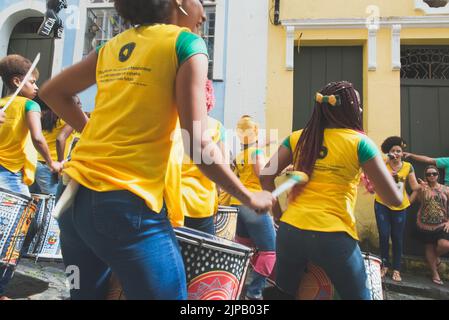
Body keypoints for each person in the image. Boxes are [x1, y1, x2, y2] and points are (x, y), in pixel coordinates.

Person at [39, 0, 274, 300]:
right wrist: (248, 195)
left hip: (73, 201)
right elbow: (198, 144)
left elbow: (52, 92)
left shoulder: (112, 46)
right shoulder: (187, 45)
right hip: (124, 204)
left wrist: (92, 132)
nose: (203, 11)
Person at [260, 81, 402, 300]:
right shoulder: (360, 143)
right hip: (333, 235)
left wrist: (279, 215)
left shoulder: (298, 138)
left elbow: (265, 175)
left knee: (284, 295)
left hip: (291, 231)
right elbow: (392, 199)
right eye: (358, 105)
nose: (361, 110)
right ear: (350, 109)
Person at [0, 54, 63, 299]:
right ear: (17, 81)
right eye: (32, 82)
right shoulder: (30, 105)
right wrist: (52, 162)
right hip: (12, 179)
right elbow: (38, 138)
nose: (36, 87)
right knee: (12, 239)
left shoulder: (2, 104)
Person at [230, 115, 277, 300]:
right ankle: (254, 292)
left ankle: (237, 288)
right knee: (270, 251)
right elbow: (262, 175)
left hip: (239, 205)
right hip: (254, 204)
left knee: (244, 250)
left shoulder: (241, 153)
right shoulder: (256, 152)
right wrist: (282, 168)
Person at [374, 136, 420, 282]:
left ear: (402, 153)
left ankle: (397, 269)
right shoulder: (383, 164)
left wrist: (408, 203)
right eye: (393, 151)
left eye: (398, 151)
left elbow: (415, 188)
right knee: (383, 234)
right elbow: (374, 174)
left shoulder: (408, 167)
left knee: (397, 238)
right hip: (382, 204)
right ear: (389, 152)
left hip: (400, 207)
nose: (396, 153)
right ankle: (384, 265)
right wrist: (387, 163)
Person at [410, 165, 449, 285]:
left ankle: (434, 258)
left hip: (442, 223)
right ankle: (435, 273)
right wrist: (418, 189)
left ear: (438, 175)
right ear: (425, 176)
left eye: (434, 174)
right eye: (428, 174)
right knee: (429, 247)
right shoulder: (422, 188)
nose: (431, 176)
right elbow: (411, 201)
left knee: (445, 245)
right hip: (424, 223)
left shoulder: (446, 189)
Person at [29, 96, 74, 195]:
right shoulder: (67, 120)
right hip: (50, 165)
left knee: (32, 201)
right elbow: (60, 139)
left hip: (32, 163)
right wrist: (60, 164)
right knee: (51, 202)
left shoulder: (42, 118)